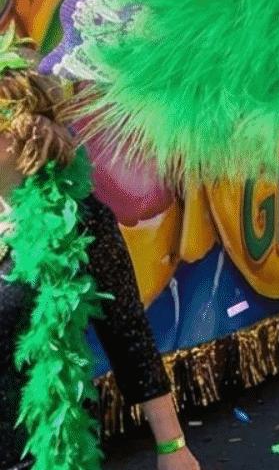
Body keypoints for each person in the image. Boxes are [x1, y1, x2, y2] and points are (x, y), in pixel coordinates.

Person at [0, 35, 200, 470]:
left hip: (38, 452)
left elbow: (127, 331)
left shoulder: (79, 219)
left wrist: (172, 446)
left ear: (15, 140)